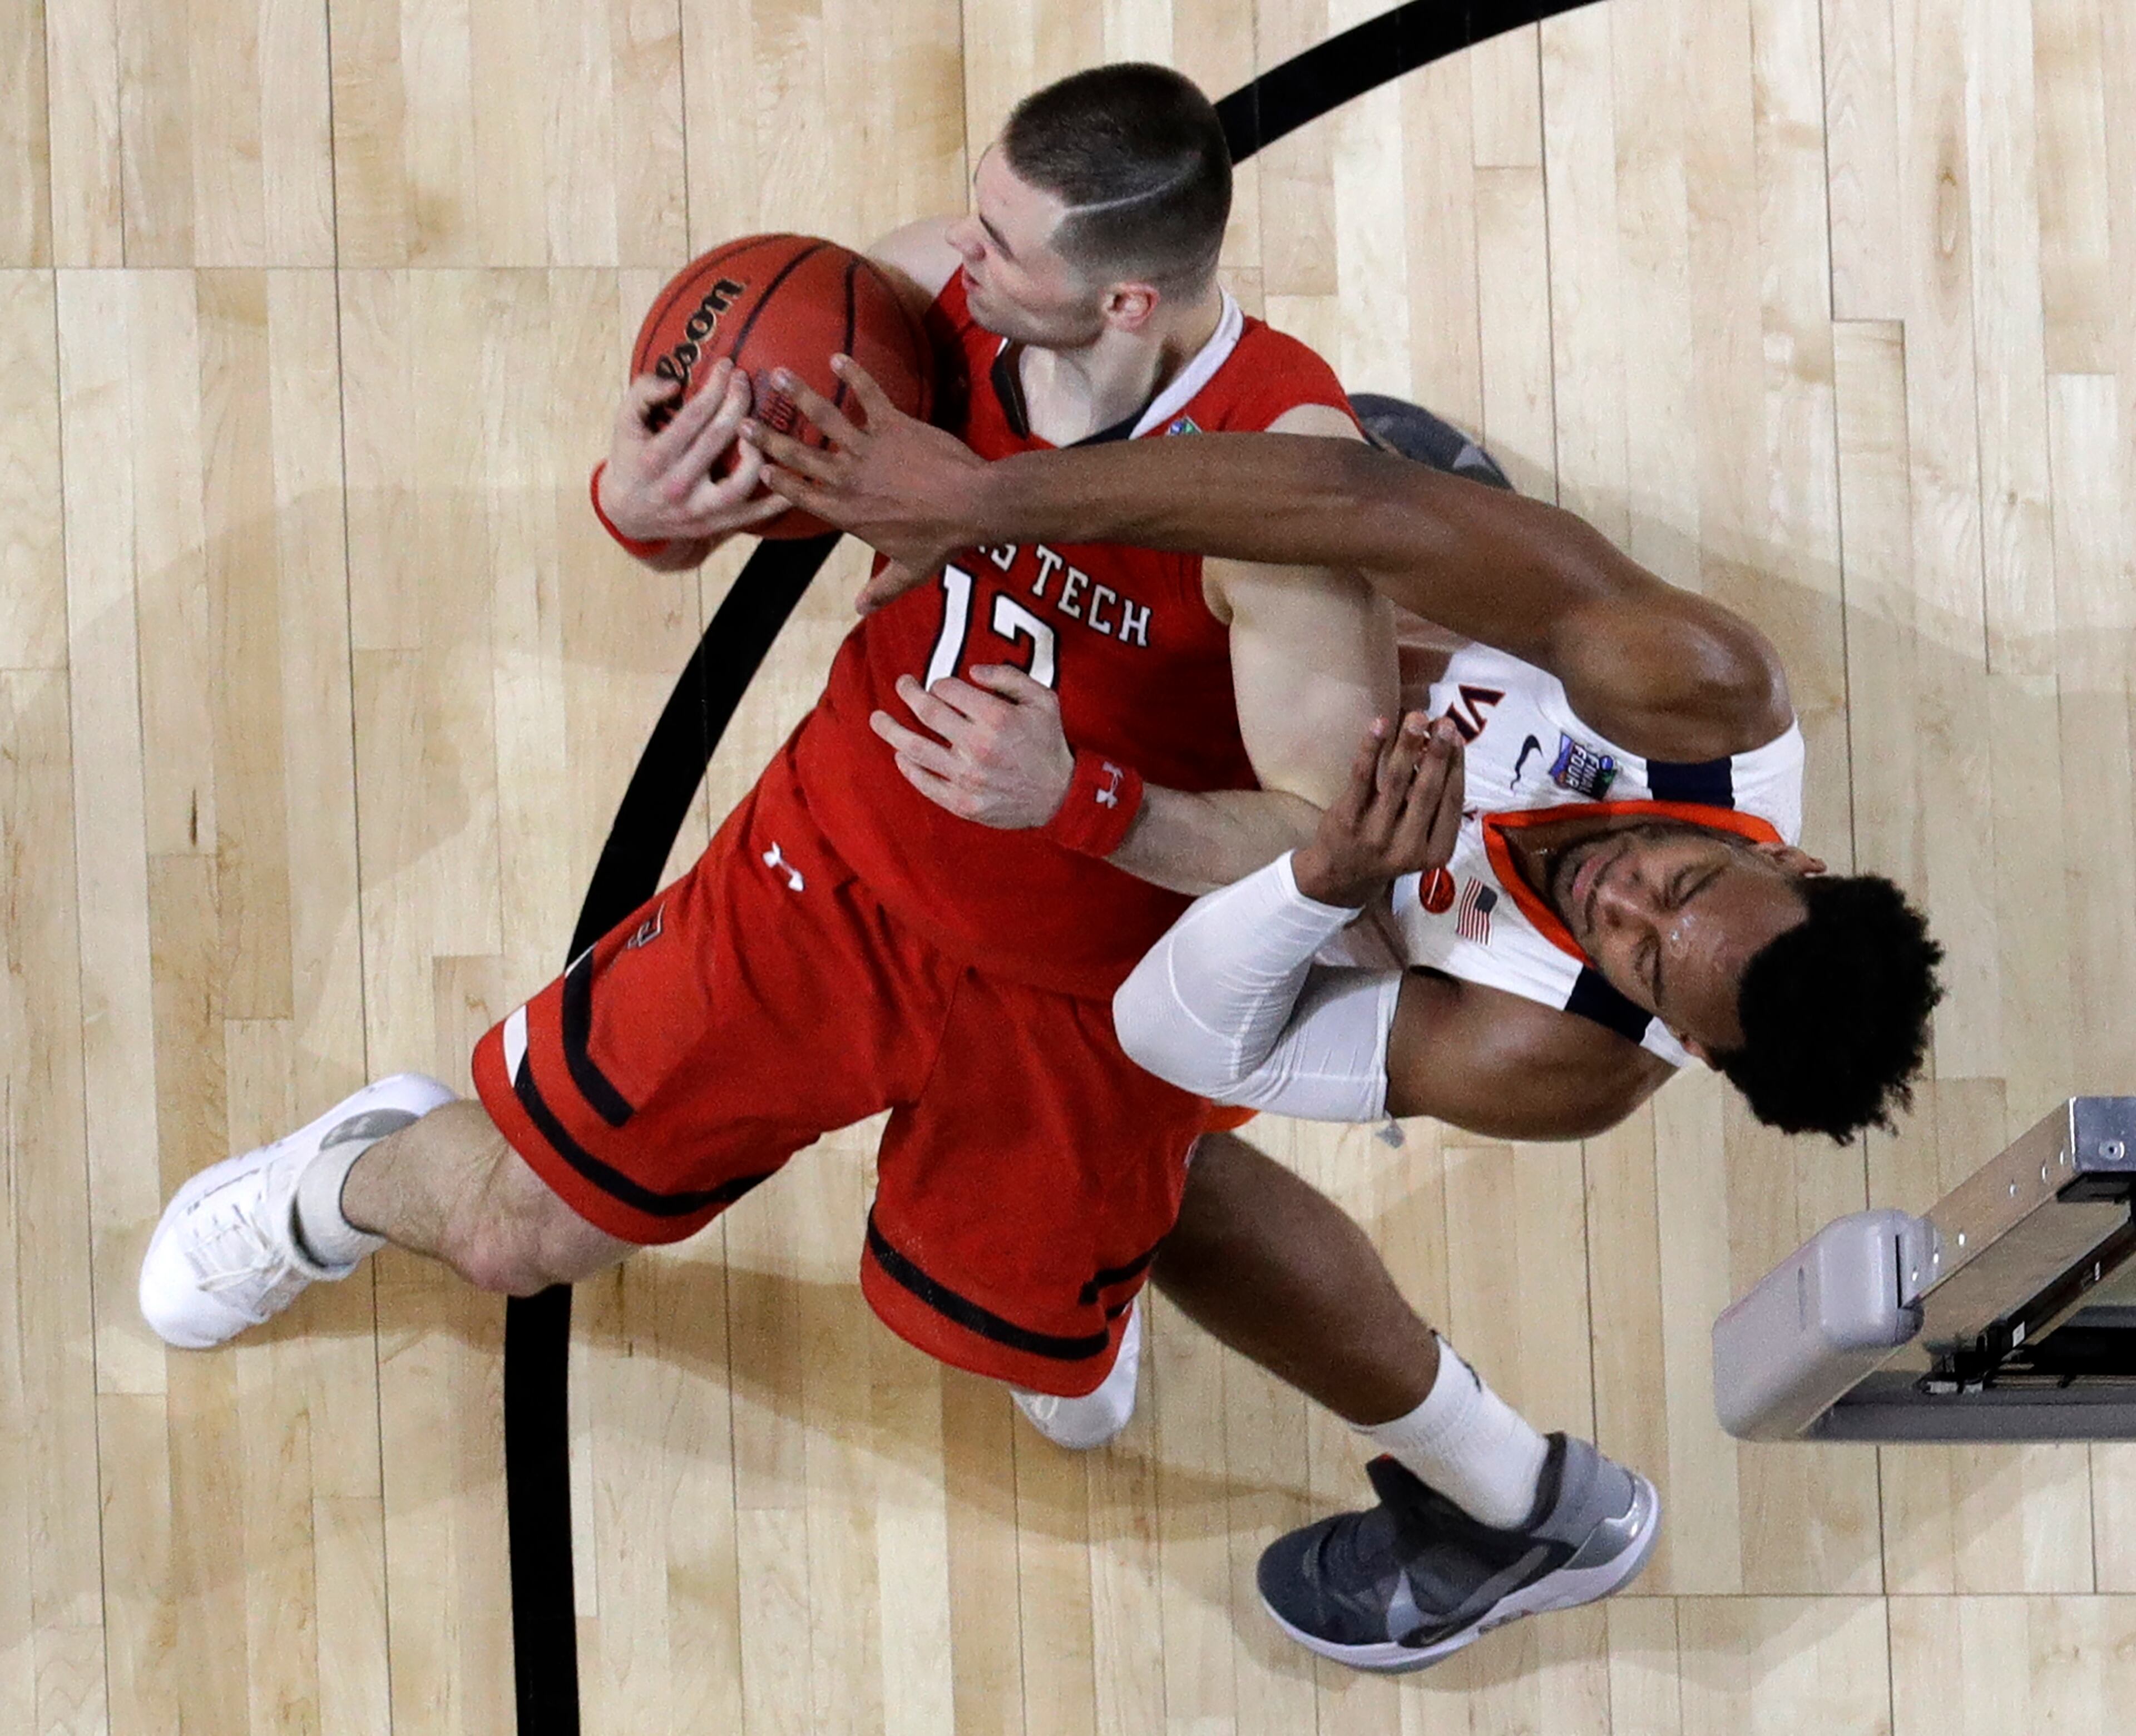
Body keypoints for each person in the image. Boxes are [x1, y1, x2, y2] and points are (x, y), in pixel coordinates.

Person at [137, 68, 1403, 1475]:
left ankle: (1061, 1293)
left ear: (1123, 303)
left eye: (999, 242)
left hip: (1089, 995)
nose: (952, 250)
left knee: (1032, 1347)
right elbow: (699, 514)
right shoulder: (921, 303)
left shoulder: (1282, 497)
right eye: (975, 208)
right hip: (838, 876)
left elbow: (1327, 846)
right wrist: (639, 507)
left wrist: (1082, 803)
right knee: (515, 1237)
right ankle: (333, 1184)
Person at [740, 358, 1945, 1672]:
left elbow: (1177, 1035)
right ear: (1793, 861)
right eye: (1686, 882)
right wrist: (986, 499)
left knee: (1152, 1157)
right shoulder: (1697, 693)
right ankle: (1458, 536)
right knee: (1350, 516)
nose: (1621, 903)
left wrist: (1292, 868)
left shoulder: (1550, 1054)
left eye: (1649, 963)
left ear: (1692, 1046)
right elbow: (1338, 498)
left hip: (1303, 915)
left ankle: (1516, 1502)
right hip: (1337, 721)